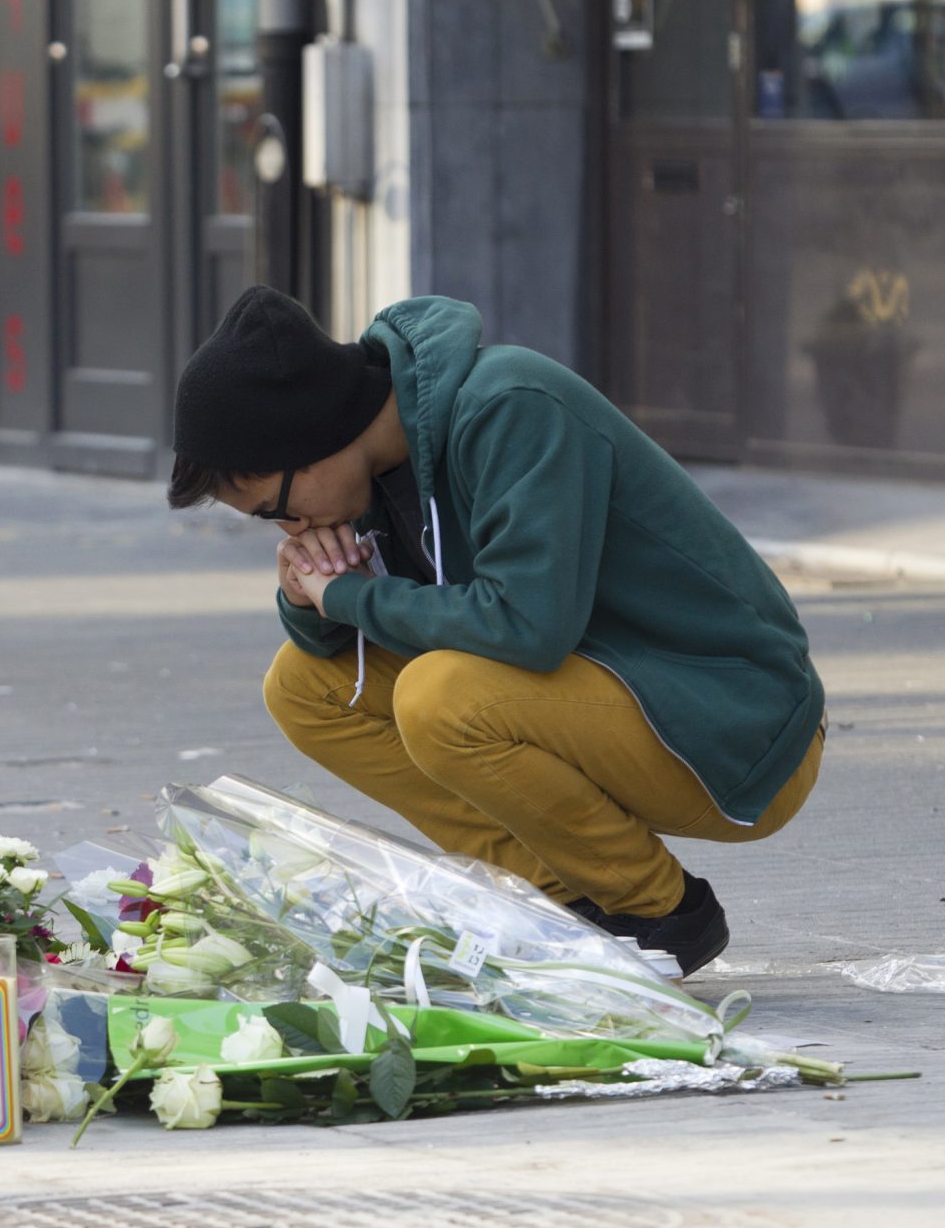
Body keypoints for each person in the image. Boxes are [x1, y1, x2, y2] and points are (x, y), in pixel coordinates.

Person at [167, 288, 826, 976]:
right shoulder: (377, 470)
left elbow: (527, 626)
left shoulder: (511, 406)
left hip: (739, 725)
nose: (290, 528)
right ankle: (556, 904)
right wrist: (309, 597)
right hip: (604, 696)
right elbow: (350, 638)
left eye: (277, 509)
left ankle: (658, 911)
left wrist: (354, 594)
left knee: (440, 696)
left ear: (312, 438)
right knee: (302, 687)